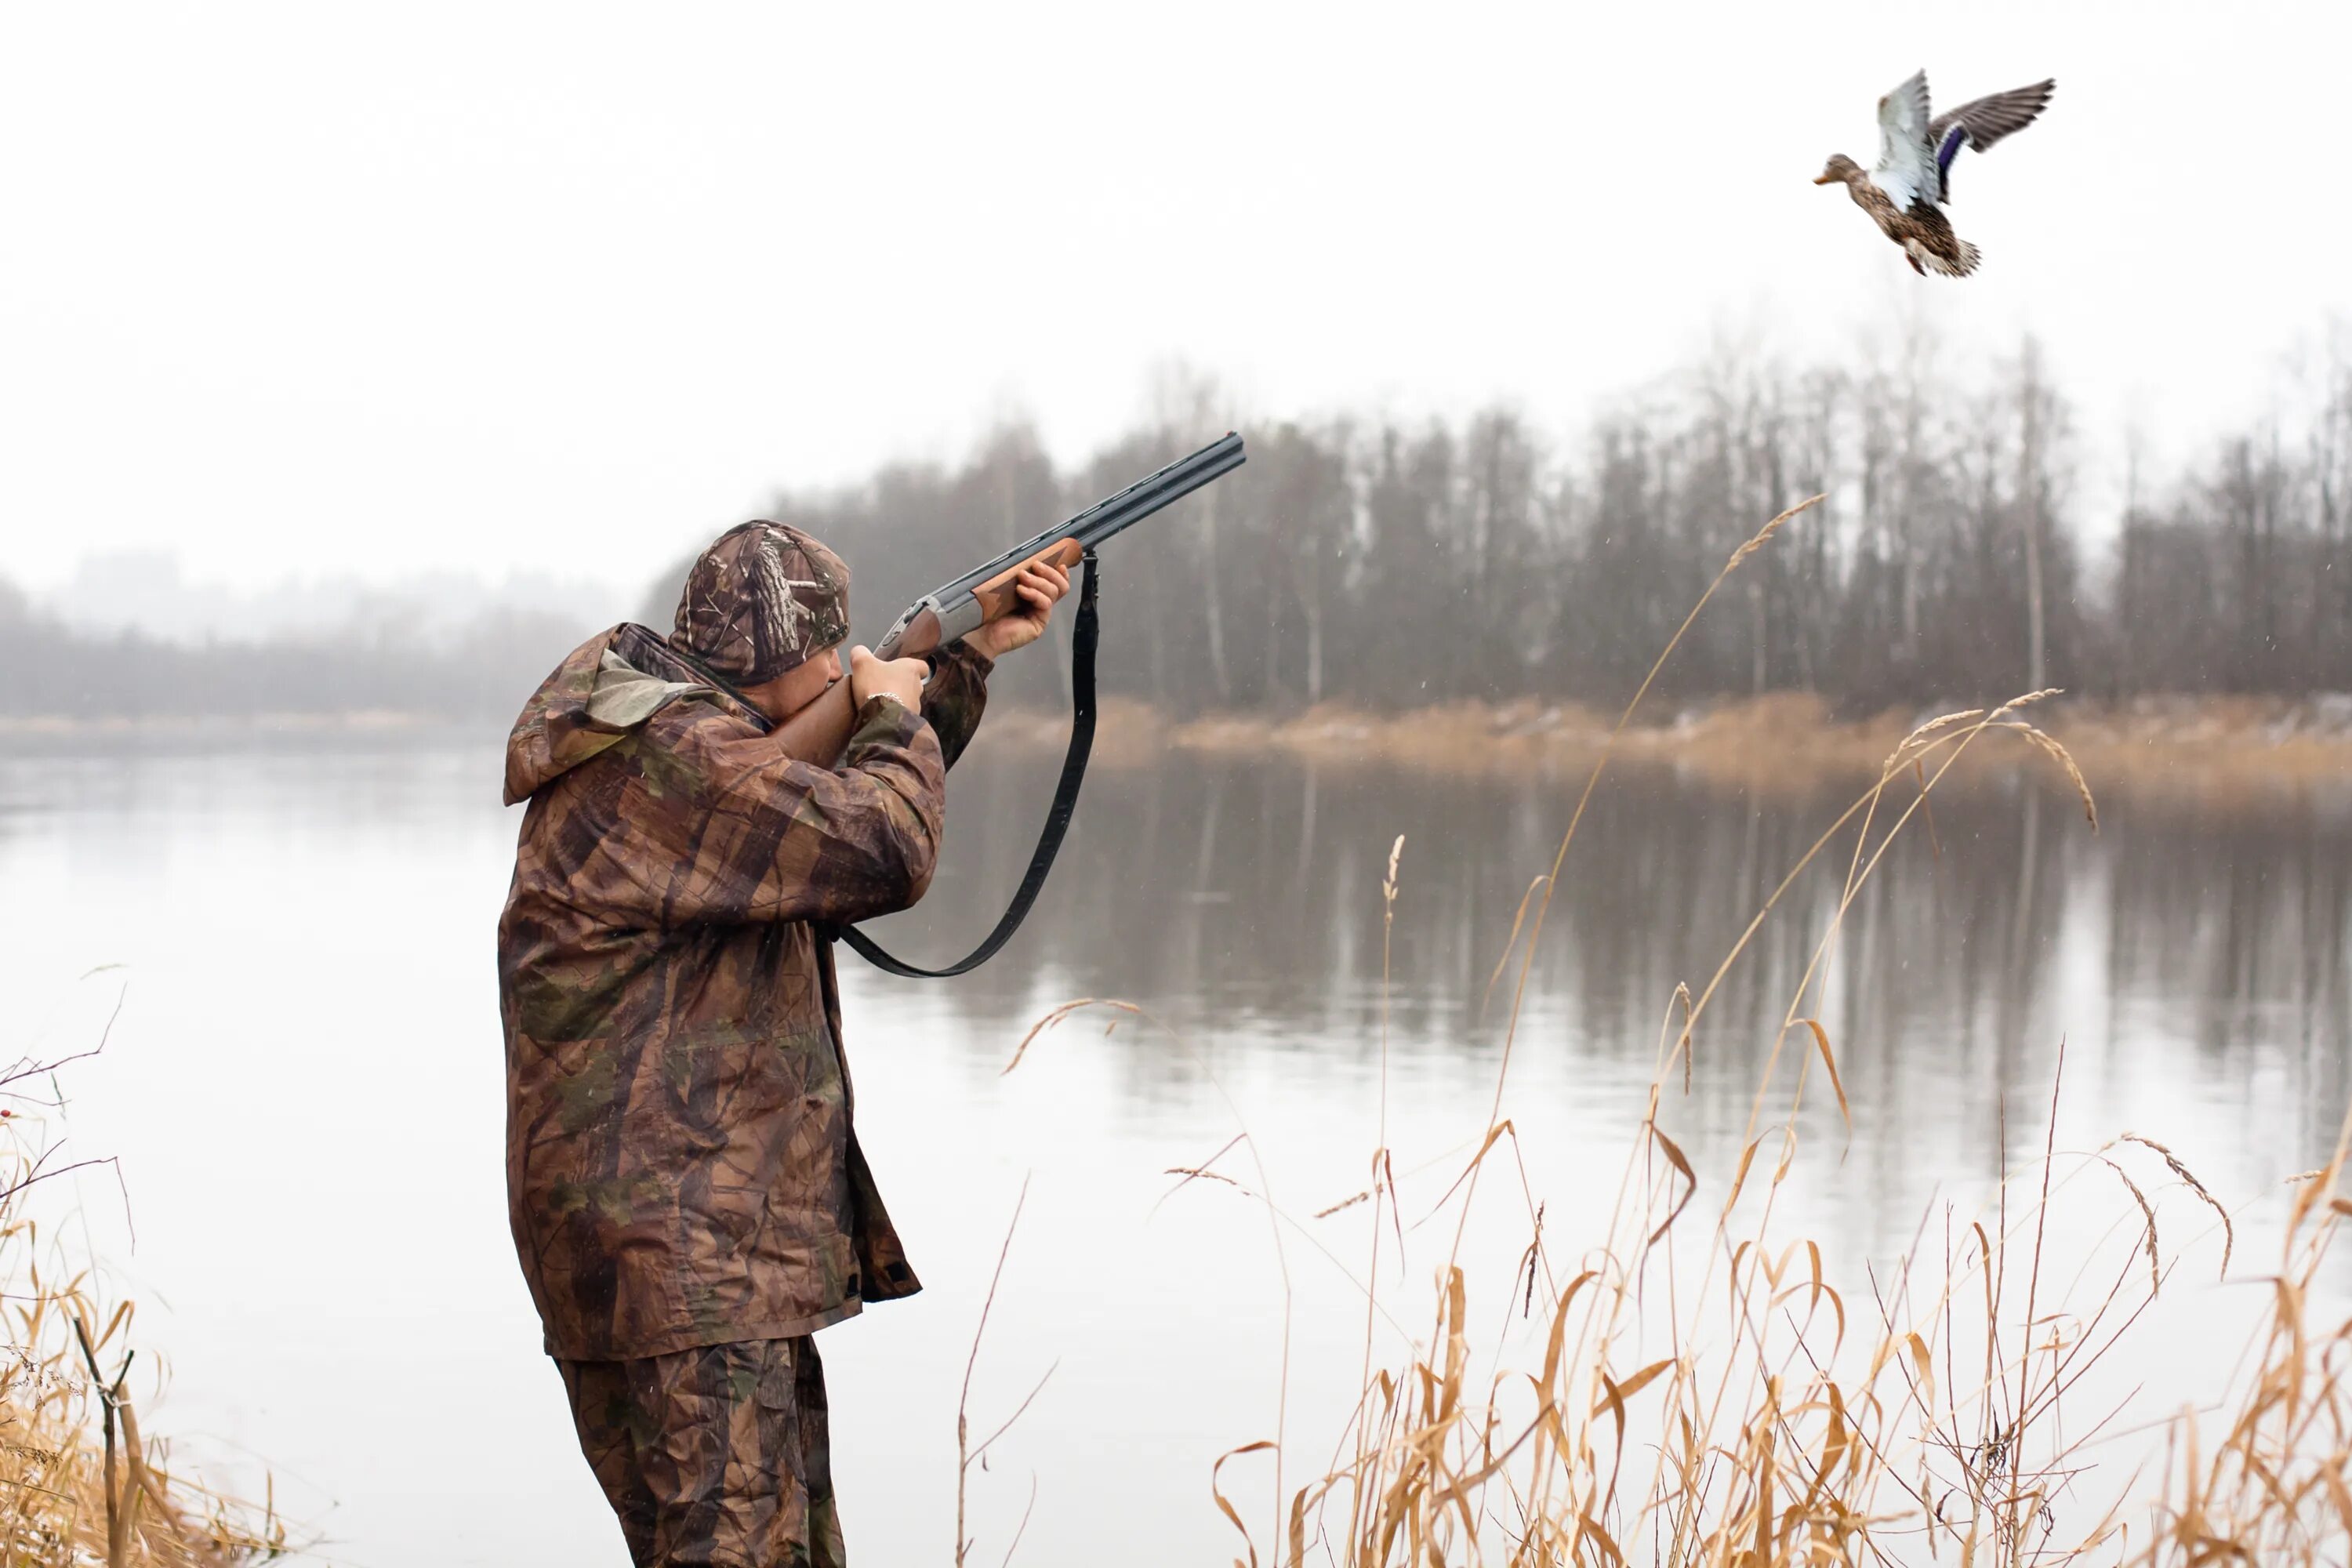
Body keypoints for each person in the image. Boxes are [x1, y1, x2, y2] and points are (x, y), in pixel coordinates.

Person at [496, 518, 1067, 1566]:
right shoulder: (672, 762)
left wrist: (964, 657)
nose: (846, 668)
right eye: (835, 658)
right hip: (685, 1266)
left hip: (684, 1258)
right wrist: (888, 709)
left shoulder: (663, 738)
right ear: (801, 663)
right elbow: (880, 845)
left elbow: (808, 814)